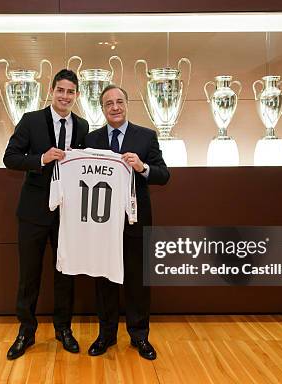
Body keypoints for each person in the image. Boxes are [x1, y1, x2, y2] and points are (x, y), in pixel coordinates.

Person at [3, 69, 89, 360]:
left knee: (65, 273)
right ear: (52, 91)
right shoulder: (30, 120)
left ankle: (63, 329)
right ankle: (26, 332)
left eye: (71, 92)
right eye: (61, 90)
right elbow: (10, 158)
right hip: (33, 212)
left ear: (76, 95)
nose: (65, 96)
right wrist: (41, 158)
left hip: (68, 213)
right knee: (29, 274)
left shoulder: (82, 125)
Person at [85, 84, 169, 360]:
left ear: (127, 103)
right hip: (101, 222)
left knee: (137, 281)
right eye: (109, 103)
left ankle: (139, 336)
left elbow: (163, 175)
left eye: (119, 101)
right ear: (103, 108)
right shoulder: (91, 138)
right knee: (104, 279)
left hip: (136, 220)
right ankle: (106, 335)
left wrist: (142, 167)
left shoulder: (146, 136)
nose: (115, 107)